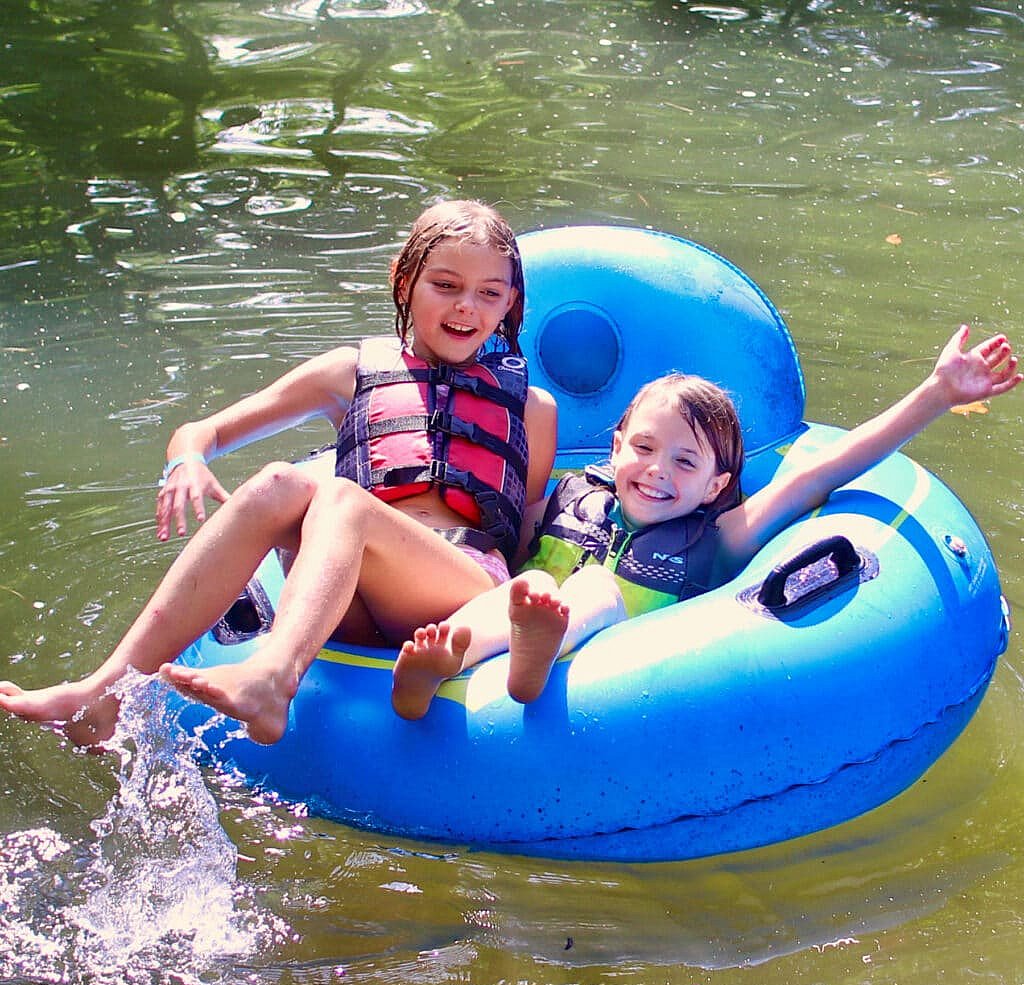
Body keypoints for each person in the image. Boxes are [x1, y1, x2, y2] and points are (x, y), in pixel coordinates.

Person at [0, 199, 558, 747]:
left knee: (339, 499)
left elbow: (522, 529)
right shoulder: (350, 372)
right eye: (445, 285)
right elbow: (203, 432)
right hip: (349, 594)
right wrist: (187, 461)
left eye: (489, 294)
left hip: (460, 584)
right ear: (405, 279)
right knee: (277, 482)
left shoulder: (532, 409)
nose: (466, 307)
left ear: (510, 302)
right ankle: (104, 693)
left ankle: (273, 678)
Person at [391, 324, 1020, 719]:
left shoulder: (719, 538)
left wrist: (938, 393)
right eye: (643, 448)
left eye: (685, 462)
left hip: (619, 671)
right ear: (615, 447)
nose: (656, 470)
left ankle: (540, 648)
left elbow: (820, 473)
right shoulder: (566, 499)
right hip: (520, 619)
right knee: (521, 585)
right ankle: (446, 656)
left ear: (716, 485)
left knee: (593, 588)